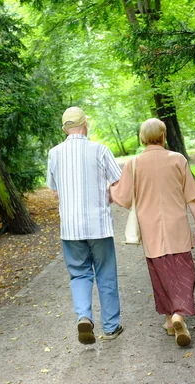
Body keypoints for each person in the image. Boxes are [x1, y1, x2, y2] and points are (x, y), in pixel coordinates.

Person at [110, 118, 195, 347]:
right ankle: (177, 317)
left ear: (142, 138)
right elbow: (192, 197)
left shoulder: (133, 164)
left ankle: (170, 320)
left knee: (161, 274)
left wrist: (110, 188)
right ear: (164, 136)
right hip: (177, 226)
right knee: (183, 270)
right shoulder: (178, 160)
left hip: (151, 229)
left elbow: (122, 198)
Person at [46, 106, 124, 344]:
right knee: (105, 273)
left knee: (79, 274)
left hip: (70, 228)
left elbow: (55, 191)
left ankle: (84, 316)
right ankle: (111, 327)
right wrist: (108, 195)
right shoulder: (100, 150)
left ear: (64, 129)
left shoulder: (54, 153)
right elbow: (118, 183)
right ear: (85, 124)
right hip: (98, 225)